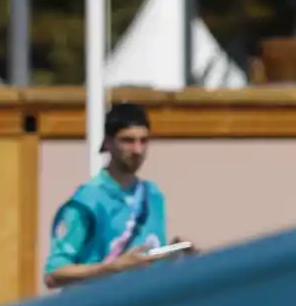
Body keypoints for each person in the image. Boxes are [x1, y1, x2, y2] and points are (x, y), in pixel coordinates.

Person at [44, 103, 196, 289]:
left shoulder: (153, 195)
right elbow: (53, 274)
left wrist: (172, 253)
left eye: (143, 141)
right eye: (128, 140)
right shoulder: (87, 200)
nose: (137, 150)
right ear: (108, 143)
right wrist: (113, 267)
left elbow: (145, 263)